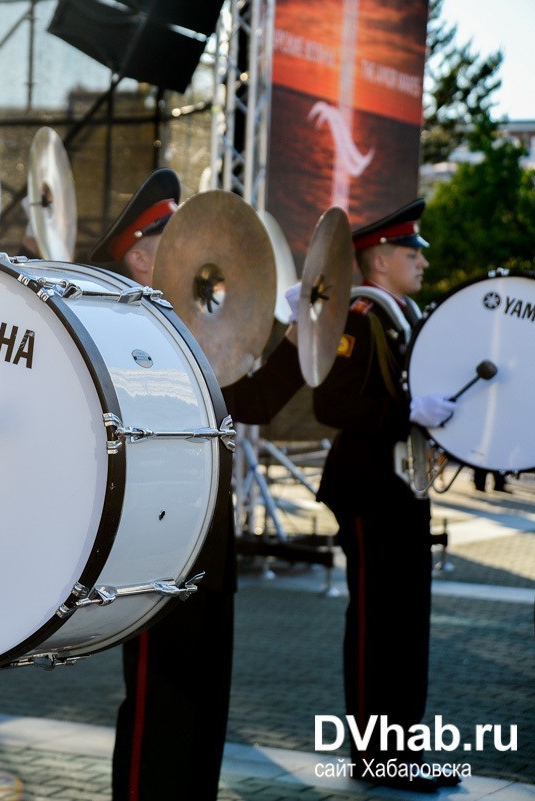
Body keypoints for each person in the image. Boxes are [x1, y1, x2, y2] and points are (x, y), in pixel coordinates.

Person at [90, 169, 307, 801]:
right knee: (160, 706)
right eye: (173, 235)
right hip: (156, 549)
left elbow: (258, 397)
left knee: (206, 707)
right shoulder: (124, 334)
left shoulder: (195, 335)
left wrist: (297, 336)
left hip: (209, 551)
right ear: (138, 256)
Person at [314, 199, 461, 793]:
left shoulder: (402, 316)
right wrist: (407, 411)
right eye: (410, 252)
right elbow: (331, 405)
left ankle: (403, 750)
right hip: (370, 491)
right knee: (379, 624)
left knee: (407, 623)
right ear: (378, 262)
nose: (421, 262)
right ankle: (376, 757)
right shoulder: (359, 317)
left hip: (402, 490)